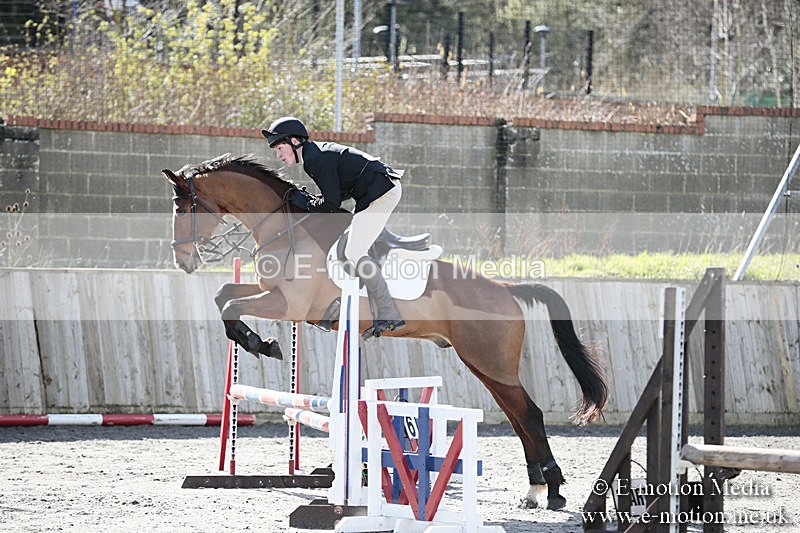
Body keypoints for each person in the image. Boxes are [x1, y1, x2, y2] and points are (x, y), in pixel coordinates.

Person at [262, 116, 405, 337]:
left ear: (294, 141)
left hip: (382, 192)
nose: (279, 155)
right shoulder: (314, 155)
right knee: (344, 243)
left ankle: (389, 313)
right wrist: (312, 201)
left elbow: (331, 202)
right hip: (374, 190)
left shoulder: (315, 159)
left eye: (281, 148)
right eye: (276, 151)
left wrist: (308, 202)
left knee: (354, 251)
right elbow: (335, 195)